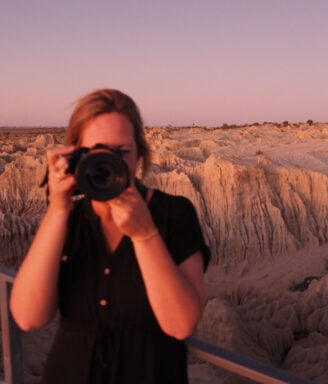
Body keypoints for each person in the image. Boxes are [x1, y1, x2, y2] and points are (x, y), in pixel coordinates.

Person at [10, 89, 210, 383]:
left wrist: (145, 235)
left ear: (139, 155)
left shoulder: (174, 214)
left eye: (121, 152)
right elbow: (28, 317)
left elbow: (181, 325)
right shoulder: (68, 220)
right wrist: (57, 210)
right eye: (97, 151)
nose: (109, 162)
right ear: (76, 155)